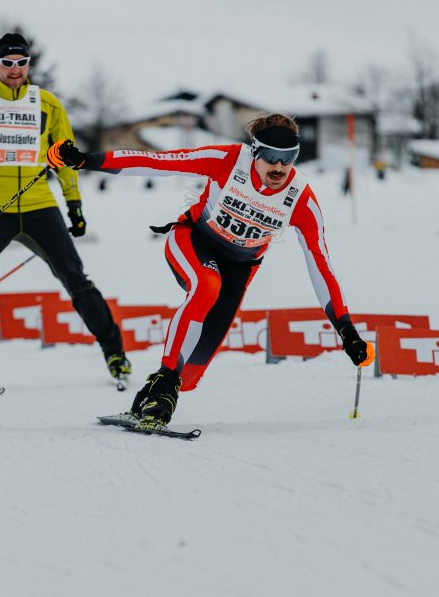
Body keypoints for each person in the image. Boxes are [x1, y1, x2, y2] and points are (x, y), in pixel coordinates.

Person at [47, 112, 374, 426]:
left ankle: (150, 395)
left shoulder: (300, 198)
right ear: (255, 152)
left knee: (191, 374)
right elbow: (158, 162)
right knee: (206, 285)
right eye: (271, 156)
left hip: (240, 269)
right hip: (193, 241)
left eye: (288, 157)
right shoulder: (228, 160)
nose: (279, 166)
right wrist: (86, 160)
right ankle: (164, 385)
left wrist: (346, 330)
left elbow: (320, 265)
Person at [0, 32, 129, 386]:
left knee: (74, 276)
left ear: (29, 63)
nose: (15, 70)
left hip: (38, 205)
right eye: (8, 63)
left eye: (22, 62)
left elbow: (64, 157)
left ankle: (115, 354)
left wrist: (73, 204)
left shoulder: (47, 105)